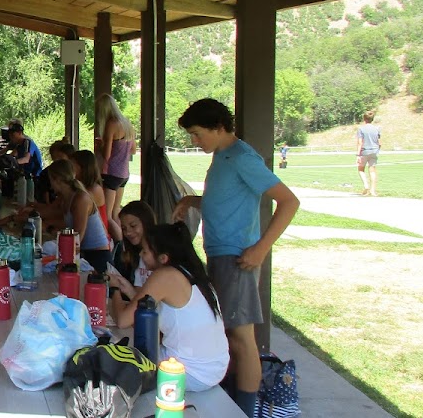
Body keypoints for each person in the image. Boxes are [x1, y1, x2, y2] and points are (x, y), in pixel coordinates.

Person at [173, 98, 300, 416]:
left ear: (218, 128)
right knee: (225, 332)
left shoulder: (242, 157)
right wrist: (192, 200)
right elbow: (227, 199)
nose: (194, 141)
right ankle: (232, 399)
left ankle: (245, 409)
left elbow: (289, 202)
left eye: (197, 134)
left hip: (238, 257)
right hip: (219, 256)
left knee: (242, 339)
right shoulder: (222, 156)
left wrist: (260, 249)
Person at [109, 221, 229, 393]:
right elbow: (148, 315)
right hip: (213, 368)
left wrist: (113, 289)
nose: (141, 255)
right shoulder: (192, 273)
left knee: (112, 352)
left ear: (163, 258)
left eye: (145, 251)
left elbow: (122, 320)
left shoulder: (165, 276)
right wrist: (126, 288)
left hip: (190, 373)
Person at [45, 159, 111, 272]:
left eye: (51, 180)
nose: (50, 184)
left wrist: (51, 229)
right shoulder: (66, 198)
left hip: (97, 257)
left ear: (57, 180)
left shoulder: (80, 199)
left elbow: (77, 237)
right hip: (85, 253)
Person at [94, 93, 135, 237]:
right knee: (116, 211)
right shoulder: (127, 123)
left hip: (111, 173)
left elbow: (107, 155)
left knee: (107, 215)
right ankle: (123, 244)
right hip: (124, 174)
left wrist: (100, 145)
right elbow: (133, 150)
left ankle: (113, 244)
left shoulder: (111, 124)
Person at [112, 201, 157, 288]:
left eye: (133, 226)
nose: (127, 232)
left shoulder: (160, 252)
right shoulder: (131, 254)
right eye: (124, 228)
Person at [70, 150, 109, 237]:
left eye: (72, 166)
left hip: (98, 238)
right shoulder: (80, 188)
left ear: (82, 167)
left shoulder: (94, 189)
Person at [5, 122, 43, 196]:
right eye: (10, 135)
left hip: (34, 176)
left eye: (13, 135)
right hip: (25, 174)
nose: (11, 138)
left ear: (20, 133)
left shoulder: (27, 142)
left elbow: (26, 159)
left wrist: (12, 162)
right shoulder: (19, 144)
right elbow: (11, 155)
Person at [356, 110, 381, 196]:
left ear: (364, 119)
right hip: (374, 151)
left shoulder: (361, 129)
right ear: (372, 119)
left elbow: (360, 142)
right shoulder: (377, 129)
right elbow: (379, 142)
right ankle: (373, 190)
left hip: (364, 151)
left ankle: (366, 186)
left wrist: (358, 154)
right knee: (372, 170)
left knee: (361, 169)